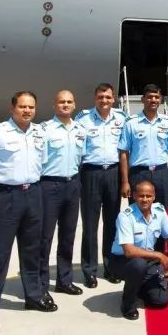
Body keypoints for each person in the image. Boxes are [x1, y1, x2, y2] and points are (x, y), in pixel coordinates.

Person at [0, 91, 56, 334]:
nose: (27, 111)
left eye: (31, 107)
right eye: (22, 107)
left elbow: (43, 163)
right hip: (5, 197)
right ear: (12, 108)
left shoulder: (39, 133)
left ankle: (34, 296)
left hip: (33, 194)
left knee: (32, 251)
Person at [76, 83, 129, 287]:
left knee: (112, 223)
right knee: (90, 224)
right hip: (91, 173)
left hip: (114, 173)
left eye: (107, 97)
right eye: (100, 97)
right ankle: (89, 270)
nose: (104, 100)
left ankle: (110, 267)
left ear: (113, 98)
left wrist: (125, 180)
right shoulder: (83, 119)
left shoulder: (121, 118)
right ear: (95, 98)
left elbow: (125, 151)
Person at [38, 90, 84, 296]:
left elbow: (81, 159)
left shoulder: (80, 130)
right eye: (61, 102)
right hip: (50, 187)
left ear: (74, 105)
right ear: (54, 106)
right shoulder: (44, 130)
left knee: (68, 236)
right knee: (44, 237)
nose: (65, 105)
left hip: (72, 185)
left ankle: (64, 281)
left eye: (69, 102)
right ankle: (40, 284)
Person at [110, 180, 168, 320]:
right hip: (122, 261)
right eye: (141, 196)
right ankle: (127, 304)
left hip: (148, 260)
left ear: (154, 197)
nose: (145, 199)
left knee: (160, 300)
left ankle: (139, 286)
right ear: (134, 196)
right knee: (138, 265)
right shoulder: (125, 216)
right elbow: (129, 251)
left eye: (148, 196)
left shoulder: (159, 211)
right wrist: (159, 255)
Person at [119, 83, 168, 209]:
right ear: (143, 99)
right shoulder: (131, 123)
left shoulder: (167, 122)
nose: (153, 100)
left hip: (161, 173)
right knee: (137, 212)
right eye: (150, 97)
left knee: (163, 212)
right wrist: (125, 182)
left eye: (156, 97)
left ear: (160, 99)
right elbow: (124, 153)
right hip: (138, 173)